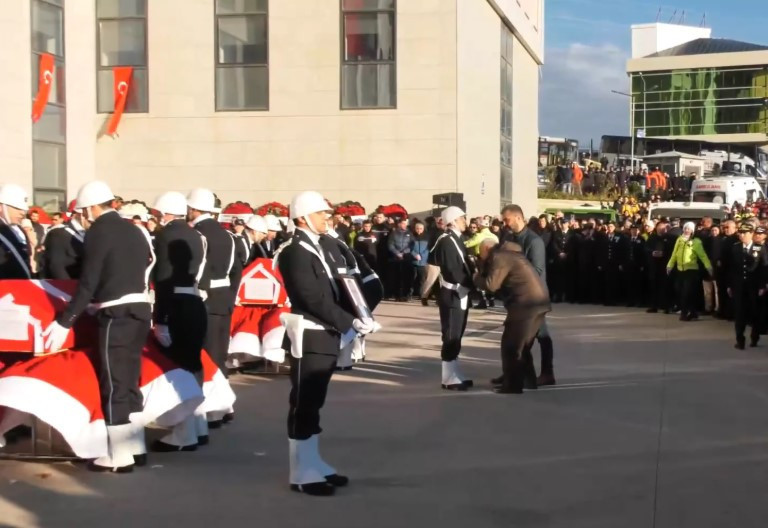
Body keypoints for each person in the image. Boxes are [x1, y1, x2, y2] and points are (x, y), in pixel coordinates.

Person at [43, 181, 154, 473]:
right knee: (131, 381)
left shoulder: (98, 232)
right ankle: (136, 446)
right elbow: (147, 263)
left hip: (115, 313)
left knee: (114, 383)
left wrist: (66, 319)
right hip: (140, 308)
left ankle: (119, 456)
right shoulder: (135, 229)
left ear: (91, 208)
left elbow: (89, 280)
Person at [277, 191, 379, 496]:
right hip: (309, 333)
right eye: (321, 213)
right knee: (304, 401)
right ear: (302, 218)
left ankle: (312, 461)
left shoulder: (321, 247)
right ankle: (300, 472)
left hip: (326, 333)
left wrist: (359, 313)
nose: (327, 217)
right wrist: (349, 321)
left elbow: (339, 287)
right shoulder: (294, 251)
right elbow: (311, 297)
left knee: (315, 401)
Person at [150, 191, 208, 452]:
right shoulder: (196, 234)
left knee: (179, 367)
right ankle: (197, 425)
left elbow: (163, 277)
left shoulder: (168, 235)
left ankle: (183, 432)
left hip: (176, 305)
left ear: (165, 213)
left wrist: (160, 317)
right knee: (194, 363)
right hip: (195, 302)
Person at [187, 188, 241, 426]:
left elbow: (197, 269)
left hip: (204, 298)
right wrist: (230, 295)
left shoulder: (198, 234)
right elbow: (236, 270)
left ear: (194, 209)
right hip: (223, 298)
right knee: (219, 354)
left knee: (205, 357)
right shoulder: (227, 235)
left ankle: (211, 411)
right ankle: (224, 407)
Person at [474, 240, 551, 394]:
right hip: (536, 302)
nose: (479, 256)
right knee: (523, 345)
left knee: (511, 345)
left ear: (487, 249)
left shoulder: (500, 256)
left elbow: (491, 285)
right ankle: (527, 380)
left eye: (480, 252)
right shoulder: (510, 254)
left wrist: (476, 277)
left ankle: (512, 385)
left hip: (526, 304)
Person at [501, 204, 555, 386]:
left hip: (533, 299)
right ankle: (512, 371)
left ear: (518, 217)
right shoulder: (510, 238)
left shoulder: (534, 241)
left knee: (541, 335)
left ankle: (547, 372)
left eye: (507, 219)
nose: (504, 223)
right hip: (516, 297)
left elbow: (537, 270)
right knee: (516, 336)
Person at [431, 206, 474, 391]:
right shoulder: (447, 241)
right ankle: (448, 377)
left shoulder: (456, 239)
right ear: (453, 221)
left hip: (460, 292)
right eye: (463, 218)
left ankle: (454, 372)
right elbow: (452, 270)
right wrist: (474, 282)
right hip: (452, 293)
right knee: (451, 334)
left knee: (457, 333)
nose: (466, 221)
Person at [728, 224, 768, 349]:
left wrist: (763, 285)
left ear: (751, 234)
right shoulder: (735, 248)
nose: (742, 235)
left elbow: (764, 268)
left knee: (755, 313)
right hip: (739, 286)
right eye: (740, 233)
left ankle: (754, 338)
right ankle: (740, 340)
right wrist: (729, 285)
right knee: (739, 314)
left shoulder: (759, 248)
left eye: (745, 233)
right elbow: (730, 268)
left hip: (754, 287)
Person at [667, 222, 713, 322]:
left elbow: (703, 256)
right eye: (685, 228)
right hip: (680, 270)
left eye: (689, 229)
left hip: (691, 270)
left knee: (686, 293)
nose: (687, 230)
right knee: (680, 291)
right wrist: (669, 265)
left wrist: (709, 267)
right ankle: (693, 312)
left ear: (692, 230)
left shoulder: (696, 242)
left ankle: (685, 313)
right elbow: (674, 254)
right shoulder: (679, 239)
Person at [41, 203, 86, 279]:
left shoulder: (89, 232)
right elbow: (56, 267)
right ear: (79, 214)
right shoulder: (58, 233)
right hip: (67, 286)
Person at [0, 184, 32, 279]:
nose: (22, 212)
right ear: (1, 206)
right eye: (17, 208)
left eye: (23, 209)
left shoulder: (18, 229)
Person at [387, 217, 413, 302]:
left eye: (405, 223)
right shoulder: (394, 233)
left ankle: (406, 295)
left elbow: (412, 245)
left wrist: (404, 252)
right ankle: (397, 295)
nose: (404, 225)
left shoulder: (410, 233)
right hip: (395, 258)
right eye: (402, 223)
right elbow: (390, 245)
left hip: (406, 257)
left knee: (406, 277)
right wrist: (397, 253)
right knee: (396, 277)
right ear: (399, 224)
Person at [410, 221, 430, 301]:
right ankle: (410, 294)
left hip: (423, 262)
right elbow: (410, 248)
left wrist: (421, 256)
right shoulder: (412, 237)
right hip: (413, 261)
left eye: (420, 229)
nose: (419, 230)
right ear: (415, 229)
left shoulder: (427, 237)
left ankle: (421, 294)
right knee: (412, 279)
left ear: (423, 229)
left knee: (422, 279)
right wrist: (415, 255)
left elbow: (428, 249)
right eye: (417, 228)